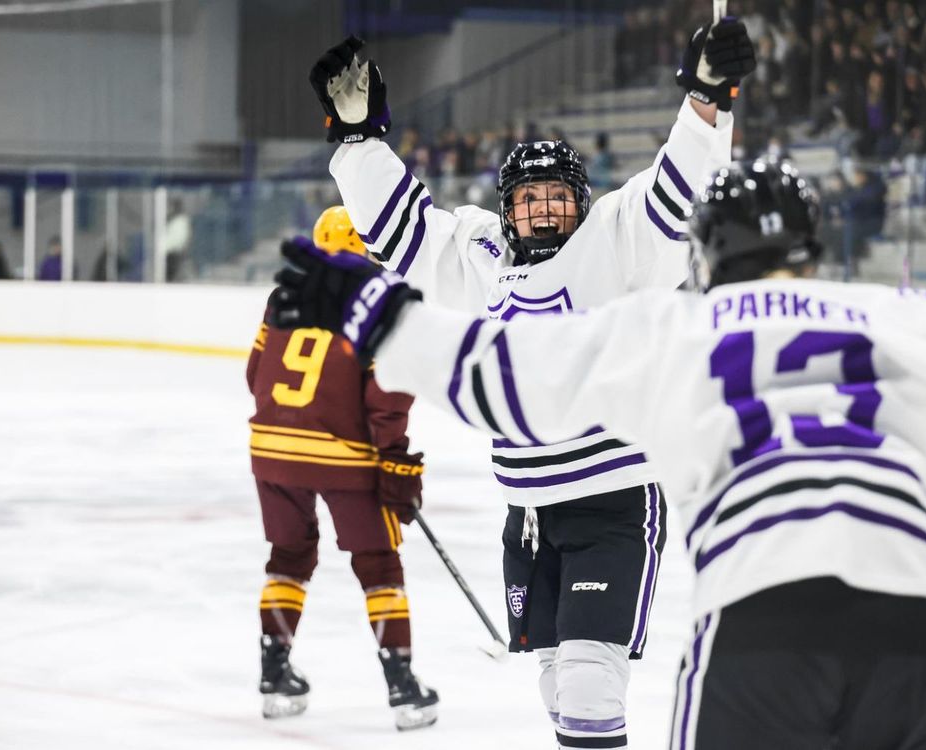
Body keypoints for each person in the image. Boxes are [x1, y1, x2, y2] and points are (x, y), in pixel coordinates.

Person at [267, 160, 926, 749]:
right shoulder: (898, 313)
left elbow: (507, 378)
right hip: (922, 626)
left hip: (767, 610)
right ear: (810, 247)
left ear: (703, 254)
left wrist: (374, 312)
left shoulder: (672, 330)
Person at [309, 22, 755, 750]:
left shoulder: (613, 240)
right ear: (507, 207)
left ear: (580, 201)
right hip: (527, 517)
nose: (544, 208)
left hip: (612, 507)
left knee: (586, 683)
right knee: (558, 686)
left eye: (557, 195)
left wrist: (707, 98)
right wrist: (358, 141)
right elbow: (406, 230)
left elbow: (677, 194)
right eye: (529, 197)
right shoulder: (483, 254)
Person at [247, 206, 438, 730]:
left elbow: (253, 373)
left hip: (271, 448)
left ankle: (274, 670)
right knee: (378, 563)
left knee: (288, 554)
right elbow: (387, 394)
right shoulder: (377, 300)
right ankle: (403, 687)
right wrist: (394, 457)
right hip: (344, 457)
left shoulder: (282, 295)